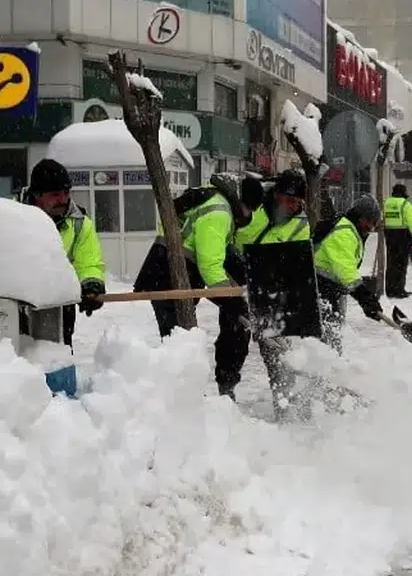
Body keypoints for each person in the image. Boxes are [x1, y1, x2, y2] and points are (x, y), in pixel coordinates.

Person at [133, 172, 263, 400]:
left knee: (180, 339)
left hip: (171, 272)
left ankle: (188, 398)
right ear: (243, 203)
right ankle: (183, 402)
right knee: (178, 341)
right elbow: (210, 266)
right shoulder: (220, 212)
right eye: (250, 211)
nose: (248, 217)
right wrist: (232, 302)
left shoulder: (214, 199)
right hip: (168, 277)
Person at [0, 158, 105, 347]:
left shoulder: (80, 224)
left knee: (54, 355)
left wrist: (91, 284)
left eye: (66, 193)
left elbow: (88, 262)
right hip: (8, 303)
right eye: (55, 195)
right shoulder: (5, 217)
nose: (63, 200)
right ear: (37, 194)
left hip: (57, 305)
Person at [241, 169, 324, 420]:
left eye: (298, 202)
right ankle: (226, 397)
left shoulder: (300, 223)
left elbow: (298, 265)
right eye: (290, 200)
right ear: (276, 195)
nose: (294, 206)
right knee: (233, 346)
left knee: (279, 354)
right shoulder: (254, 211)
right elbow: (232, 239)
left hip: (275, 295)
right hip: (241, 284)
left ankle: (287, 409)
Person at [314, 194, 386, 352]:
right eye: (371, 222)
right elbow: (345, 270)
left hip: (330, 288)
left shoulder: (351, 229)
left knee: (332, 335)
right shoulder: (344, 232)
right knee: (327, 338)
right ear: (362, 218)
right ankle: (326, 372)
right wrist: (365, 298)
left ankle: (330, 369)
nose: (372, 227)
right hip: (320, 288)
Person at [383, 183, 412, 298]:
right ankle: (399, 290)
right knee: (401, 263)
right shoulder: (405, 204)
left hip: (389, 234)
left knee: (391, 262)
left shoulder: (386, 203)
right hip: (403, 236)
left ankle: (389, 289)